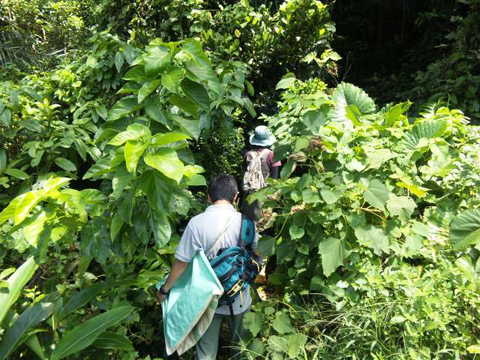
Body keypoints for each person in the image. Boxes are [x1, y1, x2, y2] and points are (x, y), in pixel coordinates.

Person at [157, 174, 258, 360]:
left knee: (205, 353)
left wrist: (165, 290)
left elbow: (181, 264)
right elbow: (254, 257)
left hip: (208, 299)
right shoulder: (248, 223)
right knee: (242, 349)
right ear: (236, 197)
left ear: (209, 197)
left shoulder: (196, 223)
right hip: (240, 296)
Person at [242, 125, 281, 221]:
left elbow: (243, 172)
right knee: (263, 223)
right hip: (265, 194)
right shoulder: (271, 154)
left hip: (249, 194)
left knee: (249, 221)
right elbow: (275, 178)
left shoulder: (248, 154)